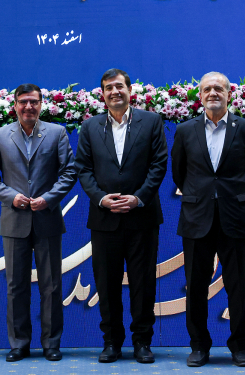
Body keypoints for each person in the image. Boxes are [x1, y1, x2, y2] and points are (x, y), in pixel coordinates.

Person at [171, 72, 245, 368]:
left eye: (218, 89)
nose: (213, 93)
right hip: (196, 218)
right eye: (207, 89)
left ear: (228, 94)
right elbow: (179, 173)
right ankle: (199, 346)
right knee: (195, 287)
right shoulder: (185, 130)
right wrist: (202, 196)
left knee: (238, 285)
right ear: (200, 96)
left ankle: (240, 346)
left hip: (236, 219)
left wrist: (232, 198)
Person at [74, 68, 168, 364]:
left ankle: (142, 342)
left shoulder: (151, 121)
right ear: (102, 94)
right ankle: (112, 342)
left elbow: (159, 164)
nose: (114, 92)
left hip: (142, 217)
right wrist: (101, 198)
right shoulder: (90, 126)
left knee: (143, 283)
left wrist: (138, 198)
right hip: (104, 219)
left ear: (130, 90)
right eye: (108, 88)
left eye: (119, 86)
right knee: (106, 284)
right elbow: (83, 168)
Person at [0, 83, 77, 362]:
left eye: (33, 101)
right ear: (15, 105)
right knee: (16, 286)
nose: (28, 107)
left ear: (41, 104)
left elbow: (69, 173)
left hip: (47, 219)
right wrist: (12, 197)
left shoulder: (57, 133)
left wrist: (48, 198)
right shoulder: (0, 135)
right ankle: (19, 344)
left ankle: (51, 343)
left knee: (52, 285)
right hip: (14, 220)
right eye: (23, 102)